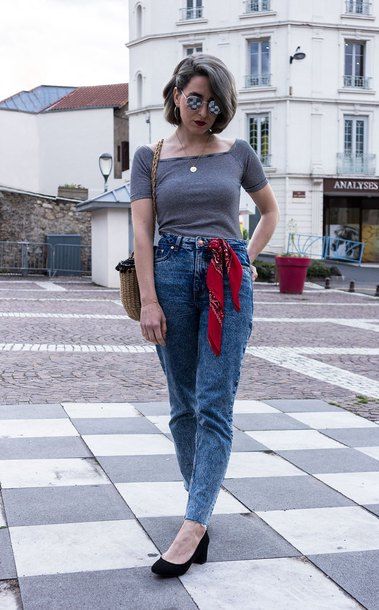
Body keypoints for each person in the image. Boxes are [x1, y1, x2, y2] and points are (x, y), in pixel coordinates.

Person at [130, 53, 280, 577]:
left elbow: (269, 210)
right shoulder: (149, 158)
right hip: (169, 275)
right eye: (195, 99)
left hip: (226, 277)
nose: (204, 111)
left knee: (214, 403)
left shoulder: (238, 153)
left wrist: (246, 257)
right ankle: (202, 512)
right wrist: (148, 300)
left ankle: (193, 525)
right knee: (182, 405)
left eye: (214, 103)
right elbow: (142, 234)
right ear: (175, 95)